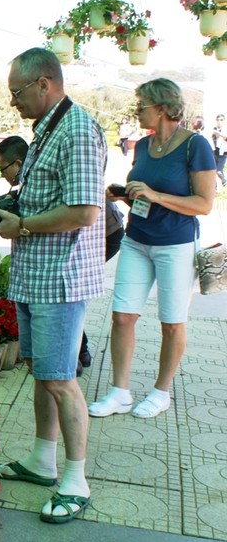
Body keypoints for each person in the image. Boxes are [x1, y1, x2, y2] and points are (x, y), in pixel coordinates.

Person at [0, 48, 105, 525]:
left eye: (17, 93)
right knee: (44, 373)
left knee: (61, 379)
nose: (14, 103)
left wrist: (20, 226)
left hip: (59, 279)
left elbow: (84, 211)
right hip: (37, 275)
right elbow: (38, 195)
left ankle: (76, 480)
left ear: (45, 83)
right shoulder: (48, 129)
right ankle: (43, 461)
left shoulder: (78, 130)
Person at [88, 79, 216, 420]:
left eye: (141, 105)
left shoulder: (195, 145)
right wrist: (126, 193)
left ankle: (161, 393)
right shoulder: (142, 146)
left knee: (171, 322)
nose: (136, 110)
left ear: (161, 108)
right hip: (136, 238)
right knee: (122, 316)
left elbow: (204, 204)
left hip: (176, 244)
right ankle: (120, 391)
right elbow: (143, 190)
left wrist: (156, 196)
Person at [0, 133, 123, 378]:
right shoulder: (29, 171)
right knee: (65, 302)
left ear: (18, 163)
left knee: (68, 298)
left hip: (105, 234)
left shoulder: (40, 167)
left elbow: (18, 207)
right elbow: (17, 195)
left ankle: (73, 356)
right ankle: (78, 353)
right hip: (96, 230)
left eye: (2, 168)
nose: (2, 174)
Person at [212, 113, 227, 188]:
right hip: (215, 151)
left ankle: (224, 182)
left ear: (224, 121)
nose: (219, 121)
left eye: (221, 120)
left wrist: (218, 133)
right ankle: (215, 187)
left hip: (223, 152)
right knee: (213, 170)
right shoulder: (214, 128)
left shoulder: (225, 129)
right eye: (218, 120)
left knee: (219, 171)